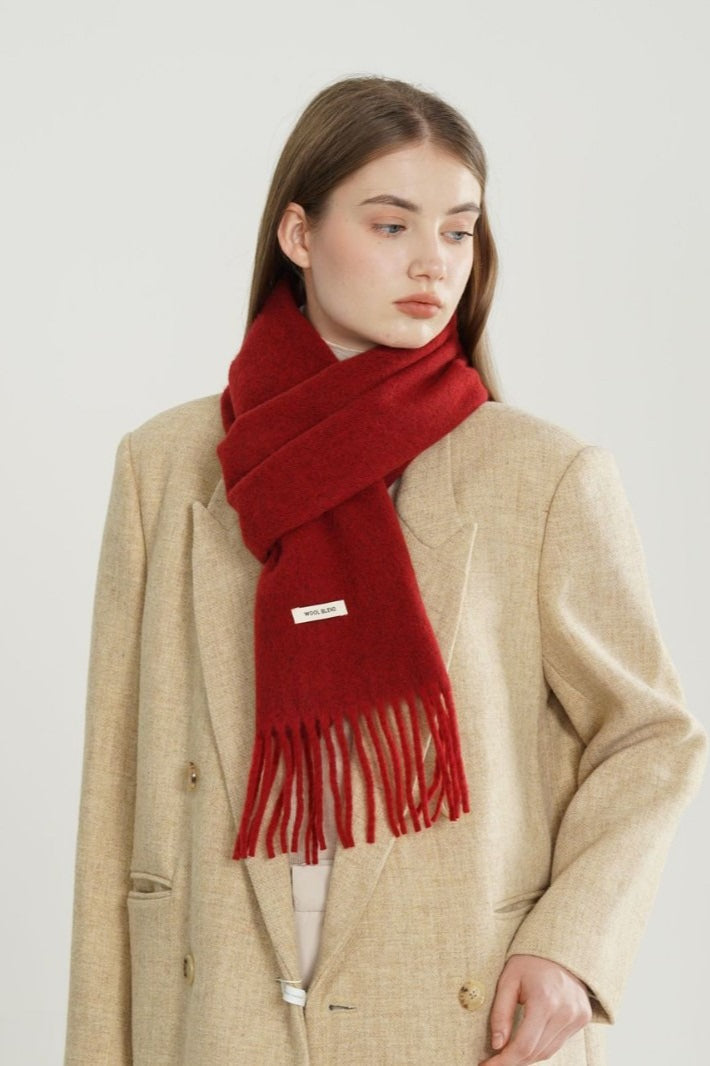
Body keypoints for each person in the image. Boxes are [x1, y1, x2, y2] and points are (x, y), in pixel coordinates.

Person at [63, 75, 707, 1066]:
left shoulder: (541, 473)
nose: (432, 261)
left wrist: (571, 948)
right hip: (217, 1011)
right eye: (391, 225)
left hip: (458, 1012)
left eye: (459, 231)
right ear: (298, 234)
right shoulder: (166, 467)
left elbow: (648, 735)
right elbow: (116, 798)